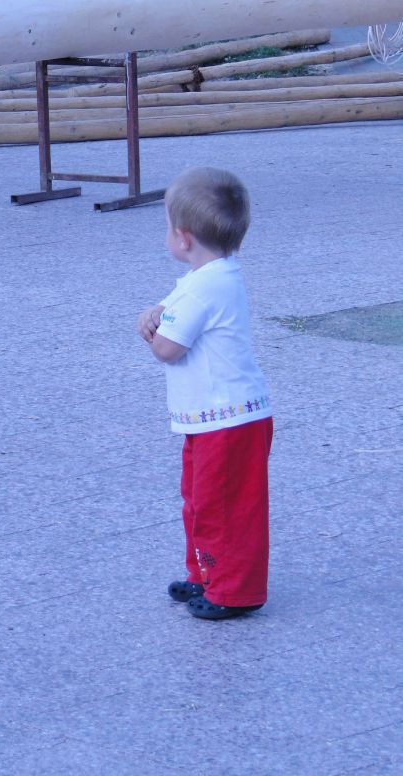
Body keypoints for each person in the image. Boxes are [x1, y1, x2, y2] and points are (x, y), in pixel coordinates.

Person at [137, 166, 272, 621]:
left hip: (227, 420)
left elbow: (167, 349)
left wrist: (150, 331)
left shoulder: (204, 288)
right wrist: (157, 312)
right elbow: (176, 309)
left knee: (224, 506)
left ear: (183, 237)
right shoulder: (214, 276)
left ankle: (234, 591)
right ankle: (206, 574)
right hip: (214, 417)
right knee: (200, 499)